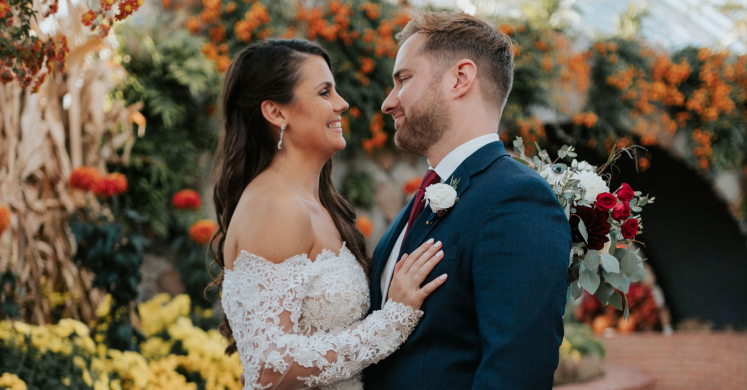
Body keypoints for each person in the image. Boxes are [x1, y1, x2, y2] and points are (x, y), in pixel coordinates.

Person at [208, 39, 448, 390]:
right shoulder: (277, 206)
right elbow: (268, 366)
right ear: (276, 112)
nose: (342, 103)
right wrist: (392, 321)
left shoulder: (318, 205)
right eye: (324, 92)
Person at [362, 12, 571, 389]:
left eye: (403, 80)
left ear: (460, 78)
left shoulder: (517, 199)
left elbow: (515, 373)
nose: (388, 103)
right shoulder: (420, 200)